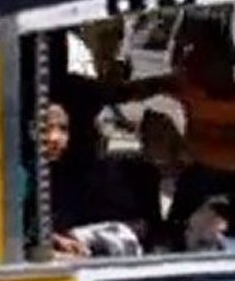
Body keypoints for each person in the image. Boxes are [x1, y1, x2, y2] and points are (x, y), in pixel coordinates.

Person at [117, 19, 235, 246]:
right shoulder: (186, 88)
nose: (188, 65)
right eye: (183, 57)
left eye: (199, 55)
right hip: (202, 178)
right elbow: (136, 90)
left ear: (224, 59)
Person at [22, 102, 162, 259]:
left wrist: (60, 239)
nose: (55, 138)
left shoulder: (72, 177)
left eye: (63, 129)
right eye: (44, 129)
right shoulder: (21, 177)